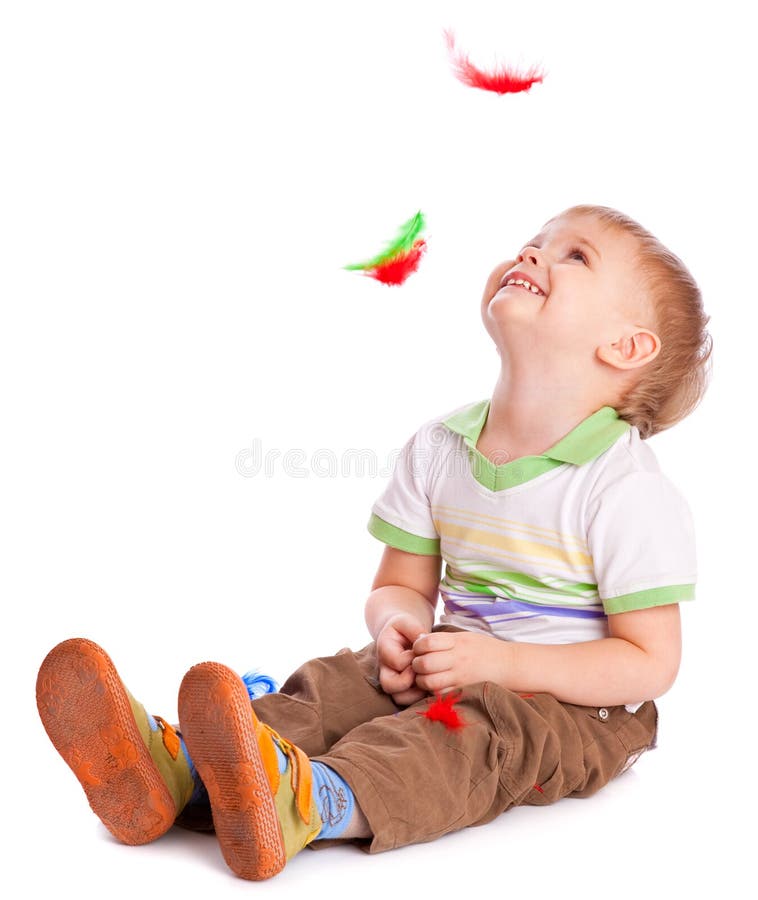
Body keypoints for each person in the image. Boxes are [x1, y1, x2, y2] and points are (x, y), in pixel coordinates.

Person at [36, 204, 712, 881]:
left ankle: (308, 801)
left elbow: (649, 662)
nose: (531, 255)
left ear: (626, 347)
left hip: (574, 714)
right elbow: (400, 586)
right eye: (532, 243)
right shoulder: (440, 450)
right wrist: (401, 629)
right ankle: (183, 770)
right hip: (457, 661)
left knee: (462, 735)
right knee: (342, 681)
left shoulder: (622, 488)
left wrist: (502, 666)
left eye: (575, 256)